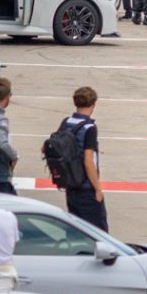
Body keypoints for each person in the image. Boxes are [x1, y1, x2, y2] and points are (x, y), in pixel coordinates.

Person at [58, 86, 106, 230]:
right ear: (93, 104)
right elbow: (88, 160)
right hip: (86, 186)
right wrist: (97, 188)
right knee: (98, 231)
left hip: (70, 184)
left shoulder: (66, 122)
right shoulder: (89, 128)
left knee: (75, 229)